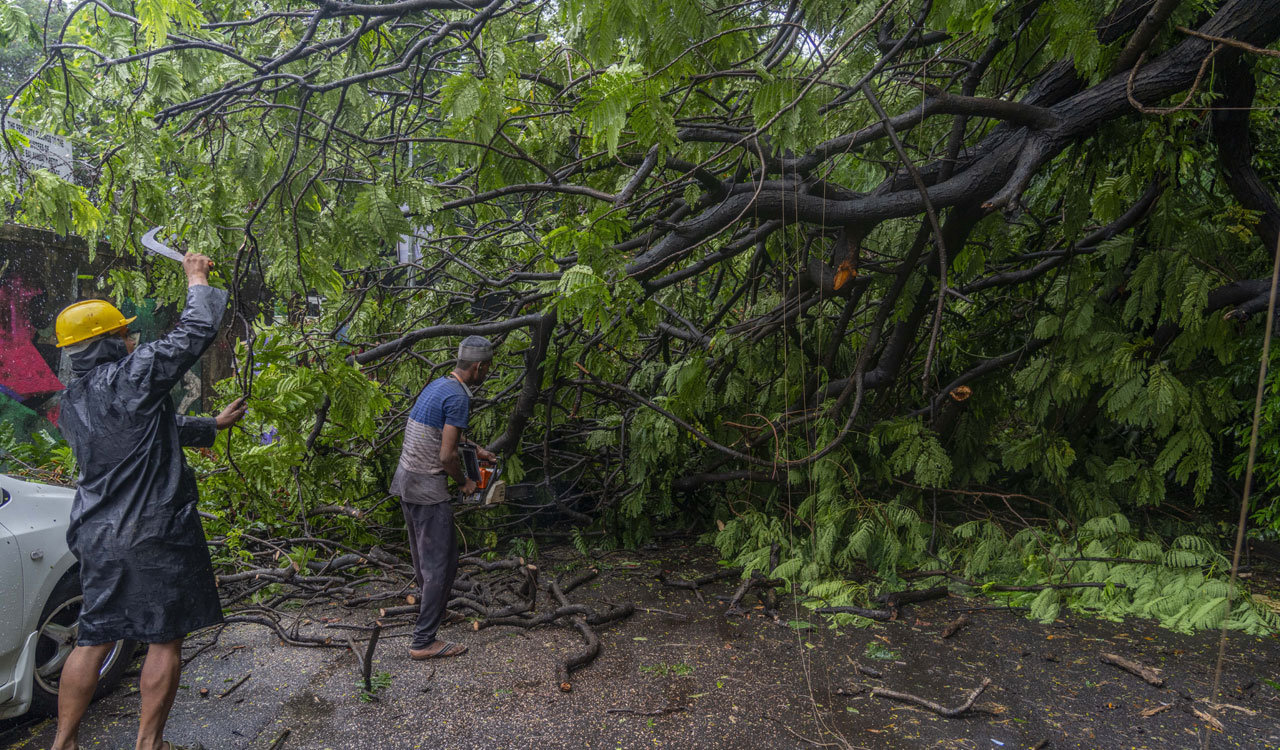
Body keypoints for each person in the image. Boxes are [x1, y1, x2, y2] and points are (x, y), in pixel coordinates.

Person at [50, 252, 246, 750]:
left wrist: (210, 426)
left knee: (93, 637)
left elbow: (142, 433)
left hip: (98, 534)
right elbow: (195, 331)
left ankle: (63, 743)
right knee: (164, 638)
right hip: (155, 532)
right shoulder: (132, 375)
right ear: (107, 342)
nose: (131, 340)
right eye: (123, 335)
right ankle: (149, 744)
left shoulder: (71, 402)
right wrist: (197, 277)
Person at [389, 335, 497, 660]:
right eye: (487, 369)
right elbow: (447, 455)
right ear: (478, 367)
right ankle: (423, 641)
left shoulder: (439, 385)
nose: (487, 374)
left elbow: (445, 433)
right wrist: (465, 483)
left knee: (426, 560)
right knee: (441, 564)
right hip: (426, 489)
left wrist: (476, 451)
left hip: (407, 481)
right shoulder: (460, 398)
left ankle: (434, 613)